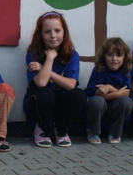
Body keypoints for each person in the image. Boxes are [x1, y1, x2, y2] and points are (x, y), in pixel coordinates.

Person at [24, 11, 87, 148]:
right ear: (41, 34)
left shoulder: (72, 55)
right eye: (47, 32)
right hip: (38, 106)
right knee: (45, 92)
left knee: (79, 95)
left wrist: (44, 68)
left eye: (57, 30)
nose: (53, 35)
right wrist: (50, 57)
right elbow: (41, 83)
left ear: (64, 32)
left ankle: (61, 130)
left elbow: (71, 85)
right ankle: (43, 129)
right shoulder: (33, 55)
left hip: (60, 105)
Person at [84, 37, 133, 144]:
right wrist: (118, 93)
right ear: (104, 56)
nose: (114, 59)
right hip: (98, 115)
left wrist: (109, 88)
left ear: (125, 57)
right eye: (110, 55)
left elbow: (125, 94)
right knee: (97, 101)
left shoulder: (126, 72)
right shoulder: (98, 70)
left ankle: (115, 133)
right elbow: (94, 96)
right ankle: (93, 132)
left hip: (116, 114)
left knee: (126, 102)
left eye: (119, 55)